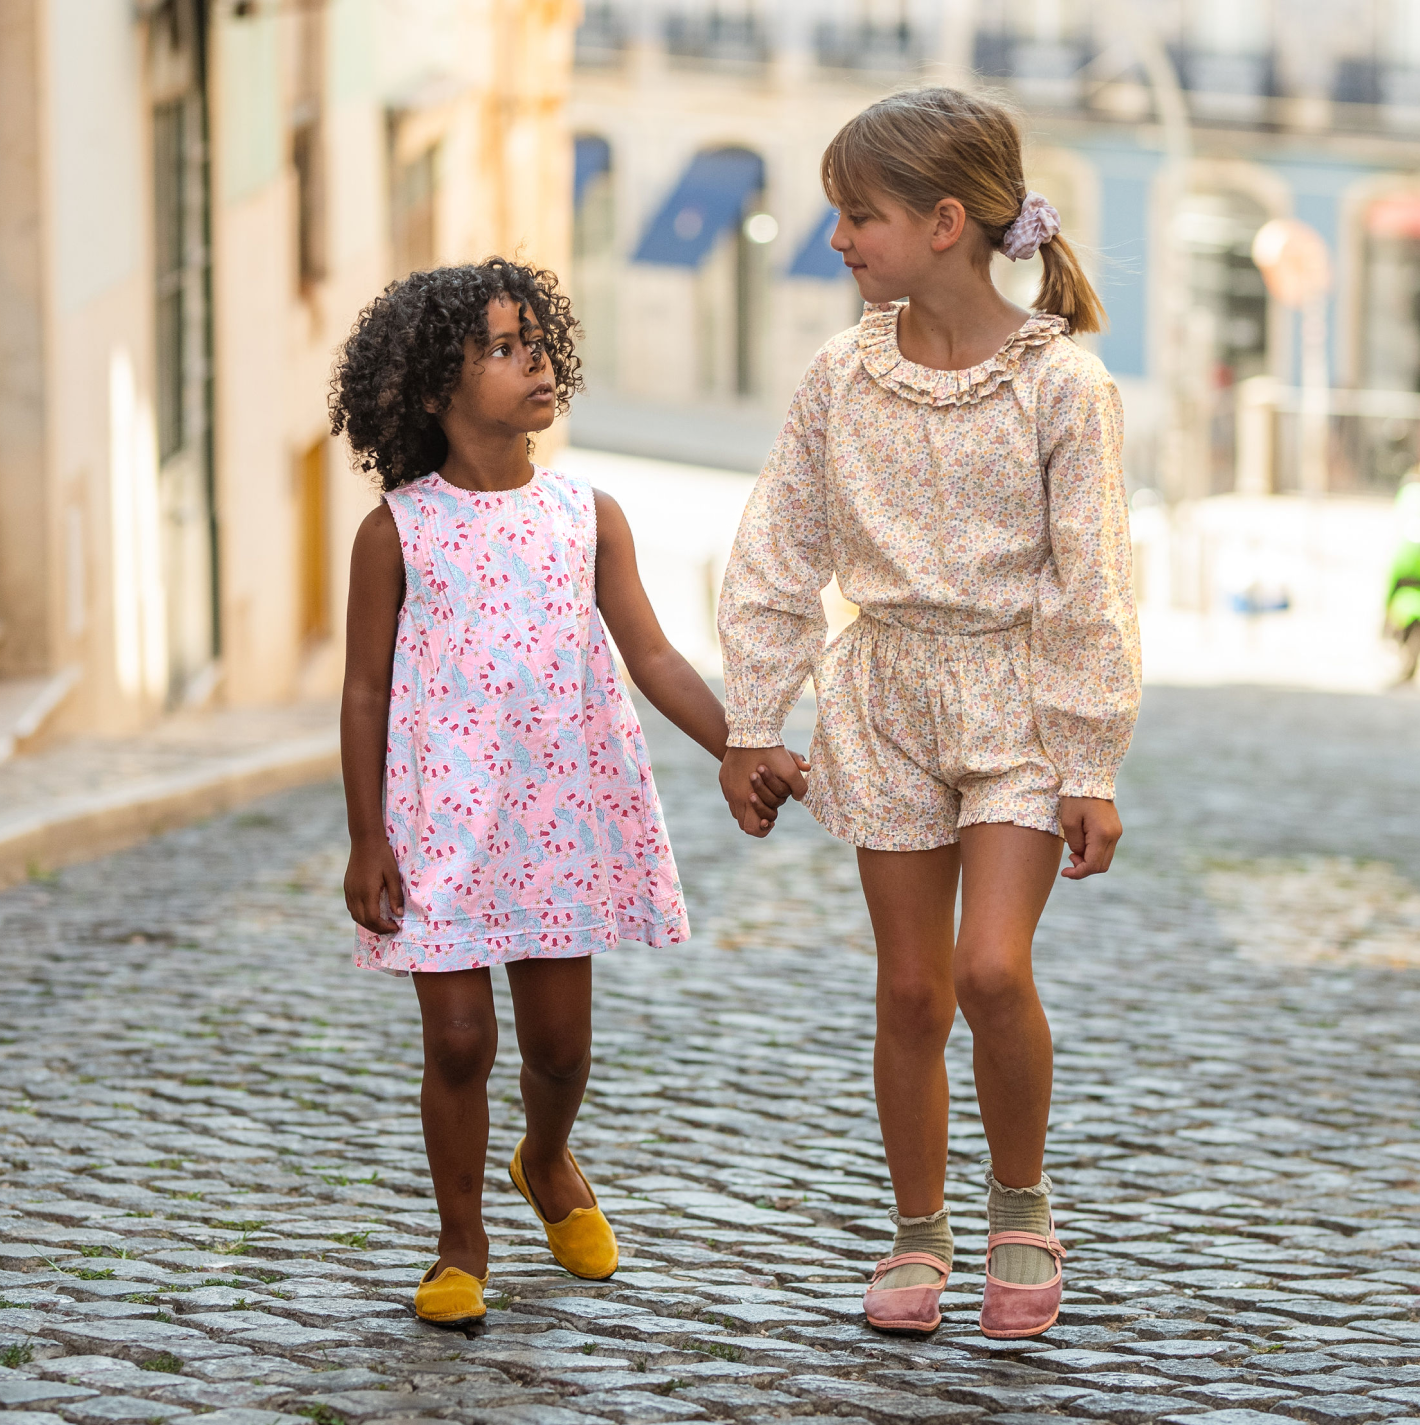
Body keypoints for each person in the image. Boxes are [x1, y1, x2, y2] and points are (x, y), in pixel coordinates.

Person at [717, 89, 1141, 1339]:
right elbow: (777, 550)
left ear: (946, 222)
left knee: (988, 969)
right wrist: (754, 717)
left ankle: (1022, 1207)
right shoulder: (838, 376)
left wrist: (1089, 755)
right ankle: (919, 1233)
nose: (837, 237)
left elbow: (1094, 579)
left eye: (860, 215)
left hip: (1017, 702)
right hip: (884, 697)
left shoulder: (1063, 384)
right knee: (911, 992)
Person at [331, 259, 802, 1328]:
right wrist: (367, 840)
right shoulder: (395, 533)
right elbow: (363, 693)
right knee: (458, 1042)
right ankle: (460, 1246)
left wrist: (743, 744)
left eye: (537, 339)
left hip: (558, 820)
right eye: (500, 347)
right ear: (431, 391)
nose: (534, 359)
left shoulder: (589, 516)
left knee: (560, 1051)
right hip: (441, 825)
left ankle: (544, 1159)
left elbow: (654, 657)